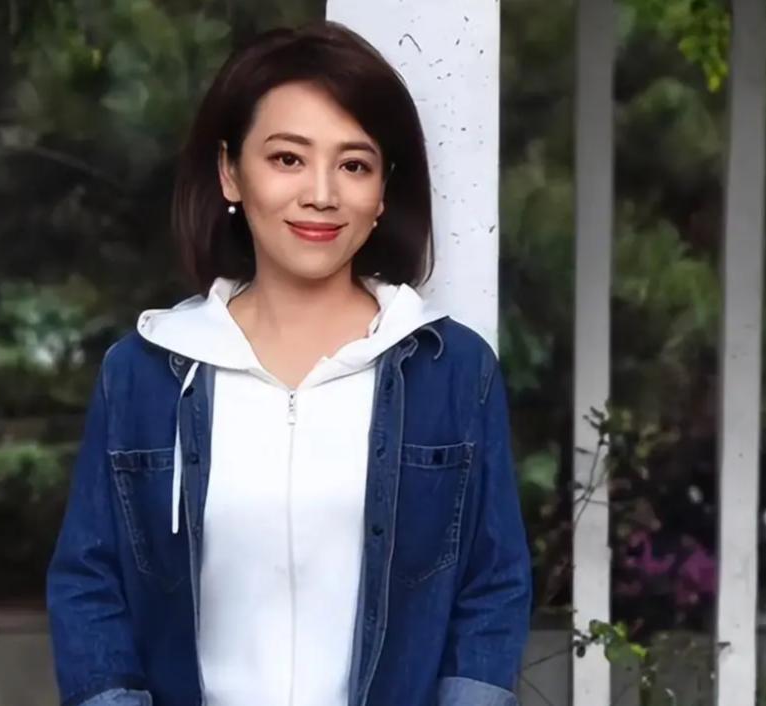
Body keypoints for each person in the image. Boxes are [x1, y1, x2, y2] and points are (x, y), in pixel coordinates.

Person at [46, 20, 532, 706]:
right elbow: (89, 585)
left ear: (383, 191)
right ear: (230, 172)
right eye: (287, 158)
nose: (321, 194)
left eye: (354, 165)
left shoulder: (450, 370)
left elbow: (492, 585)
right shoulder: (144, 373)